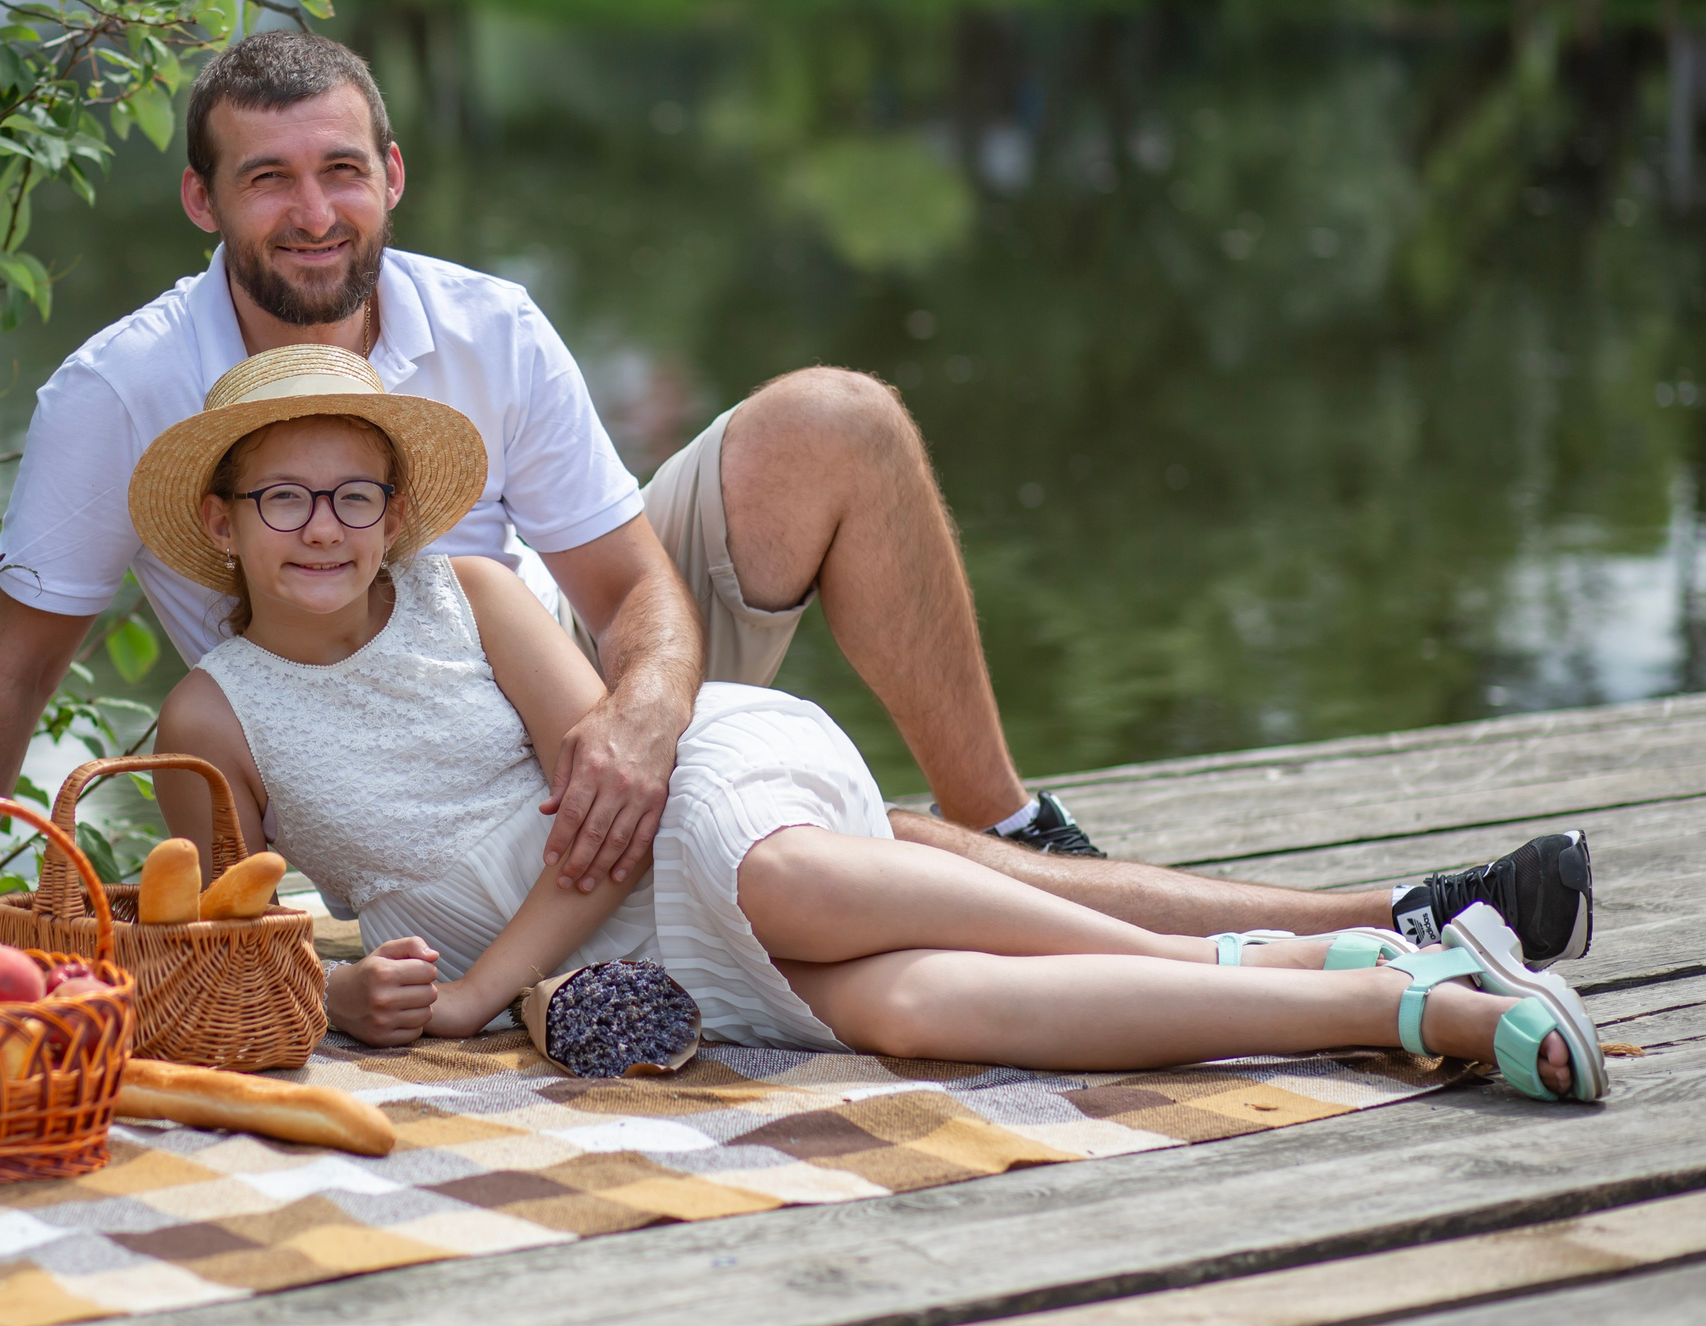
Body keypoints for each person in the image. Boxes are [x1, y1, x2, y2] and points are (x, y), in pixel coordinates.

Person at [0, 29, 1594, 963]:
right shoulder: (116, 396)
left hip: (546, 669)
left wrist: (640, 725)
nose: (310, 210)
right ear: (202, 198)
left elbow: (639, 587)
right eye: (266, 178)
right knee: (851, 858)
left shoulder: (487, 325)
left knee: (838, 422)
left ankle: (1038, 828)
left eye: (341, 169)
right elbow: (12, 680)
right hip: (384, 787)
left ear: (391, 179)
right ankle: (1375, 927)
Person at [133, 348, 1606, 1103]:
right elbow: (223, 959)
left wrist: (471, 998)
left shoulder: (470, 592)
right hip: (626, 948)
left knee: (788, 876)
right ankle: (1389, 994)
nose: (320, 527)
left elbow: (610, 805)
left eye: (351, 496)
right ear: (222, 521)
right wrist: (343, 1003)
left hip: (698, 808)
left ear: (395, 511)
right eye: (281, 497)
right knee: (914, 1017)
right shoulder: (212, 715)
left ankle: (1372, 967)